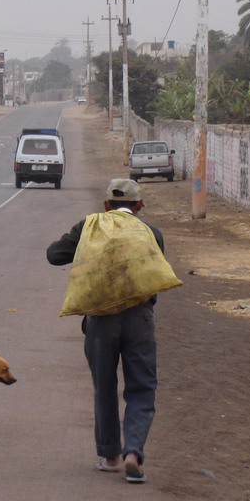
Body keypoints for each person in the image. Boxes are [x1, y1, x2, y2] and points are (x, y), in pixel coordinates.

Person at [46, 178, 165, 484]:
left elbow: (54, 255)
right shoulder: (151, 232)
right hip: (139, 318)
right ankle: (133, 453)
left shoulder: (89, 226)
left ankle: (111, 456)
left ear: (105, 205)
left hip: (100, 319)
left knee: (105, 385)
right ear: (139, 206)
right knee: (142, 387)